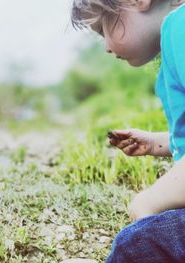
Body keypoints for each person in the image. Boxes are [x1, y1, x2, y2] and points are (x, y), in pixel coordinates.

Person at [70, 0, 185, 262]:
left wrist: (150, 201)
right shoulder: (173, 39)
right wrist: (157, 143)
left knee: (136, 245)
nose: (106, 47)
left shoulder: (181, 29)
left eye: (102, 28)